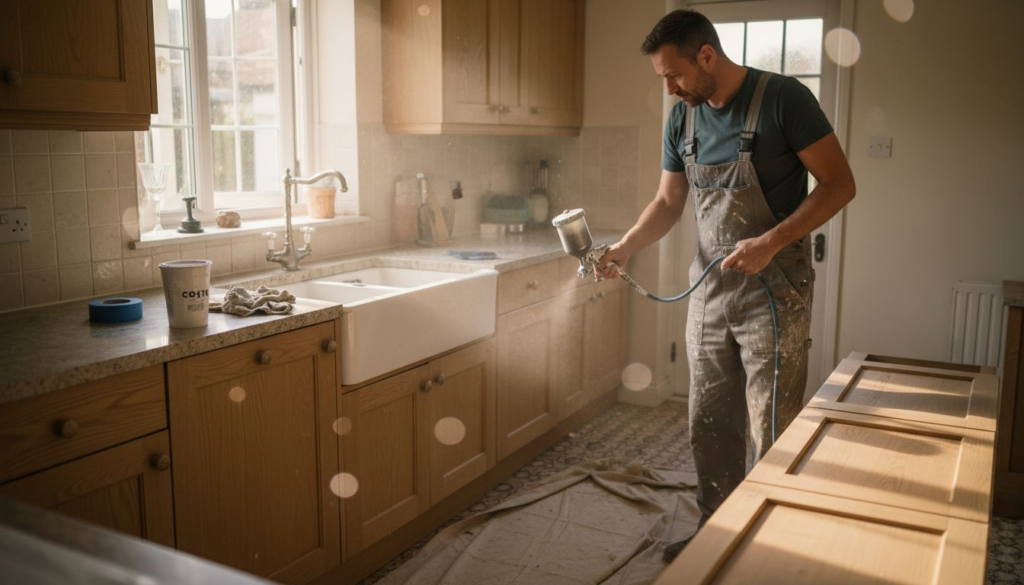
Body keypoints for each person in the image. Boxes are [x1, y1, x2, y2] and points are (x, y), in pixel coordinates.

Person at [596, 9, 856, 562]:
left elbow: (840, 184)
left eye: (674, 75)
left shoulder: (784, 99)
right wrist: (624, 249)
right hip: (710, 293)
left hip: (775, 291)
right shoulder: (682, 120)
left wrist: (771, 242)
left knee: (771, 424)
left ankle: (767, 547)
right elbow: (669, 203)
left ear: (706, 56)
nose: (669, 88)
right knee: (708, 419)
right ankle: (717, 533)